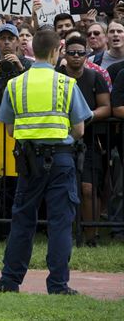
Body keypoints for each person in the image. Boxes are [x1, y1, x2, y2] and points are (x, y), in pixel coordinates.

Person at [0, 29, 92, 295]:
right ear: (56, 52)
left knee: (22, 219)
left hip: (28, 160)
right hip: (62, 159)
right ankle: (57, 284)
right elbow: (79, 129)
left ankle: (9, 280)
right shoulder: (67, 84)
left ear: (32, 49)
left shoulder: (15, 84)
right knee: (60, 222)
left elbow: (9, 129)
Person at [56, 33, 111, 246]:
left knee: (88, 188)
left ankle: (91, 236)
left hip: (89, 141)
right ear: (65, 54)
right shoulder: (56, 75)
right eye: (72, 53)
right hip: (61, 139)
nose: (76, 57)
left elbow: (106, 108)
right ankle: (64, 235)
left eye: (81, 53)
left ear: (87, 55)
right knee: (62, 189)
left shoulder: (94, 77)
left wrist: (87, 115)